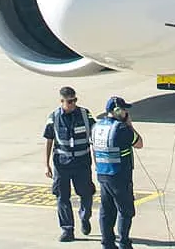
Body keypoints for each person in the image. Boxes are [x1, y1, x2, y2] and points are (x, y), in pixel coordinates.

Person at [43, 86, 96, 242]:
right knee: (62, 196)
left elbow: (95, 135)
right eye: (69, 101)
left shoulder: (85, 115)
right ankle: (67, 229)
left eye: (74, 100)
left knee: (86, 193)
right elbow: (49, 140)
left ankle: (85, 217)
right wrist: (46, 164)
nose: (73, 104)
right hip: (62, 164)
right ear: (62, 101)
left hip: (82, 162)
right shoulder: (54, 117)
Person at [91, 96, 143, 249]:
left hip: (103, 173)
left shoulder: (97, 127)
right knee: (125, 210)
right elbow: (139, 143)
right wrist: (129, 124)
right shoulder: (121, 128)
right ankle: (124, 242)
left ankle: (107, 242)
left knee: (106, 210)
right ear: (117, 111)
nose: (126, 112)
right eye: (124, 110)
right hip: (119, 174)